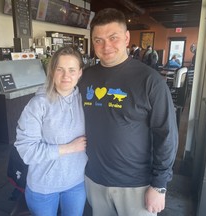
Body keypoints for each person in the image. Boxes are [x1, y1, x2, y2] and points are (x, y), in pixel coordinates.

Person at [78, 8, 178, 216]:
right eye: (98, 40)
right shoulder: (85, 78)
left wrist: (159, 185)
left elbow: (166, 134)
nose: (106, 46)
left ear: (126, 38)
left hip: (137, 185)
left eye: (113, 37)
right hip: (94, 179)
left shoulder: (150, 81)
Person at [14, 46, 88, 216]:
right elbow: (27, 151)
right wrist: (69, 148)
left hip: (76, 183)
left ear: (80, 73)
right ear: (51, 71)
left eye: (71, 70)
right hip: (44, 187)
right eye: (59, 69)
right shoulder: (37, 105)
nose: (66, 75)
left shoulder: (86, 102)